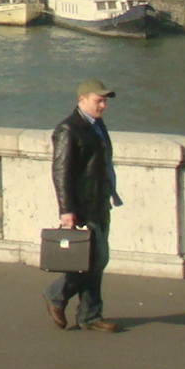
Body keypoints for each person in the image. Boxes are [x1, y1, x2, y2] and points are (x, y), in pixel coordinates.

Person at [44, 77, 124, 332]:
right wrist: (67, 210)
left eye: (104, 101)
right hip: (83, 206)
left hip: (100, 201)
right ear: (82, 100)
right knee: (96, 259)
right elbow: (61, 171)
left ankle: (90, 315)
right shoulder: (69, 129)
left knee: (92, 260)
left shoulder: (96, 126)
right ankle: (56, 295)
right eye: (98, 101)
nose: (103, 106)